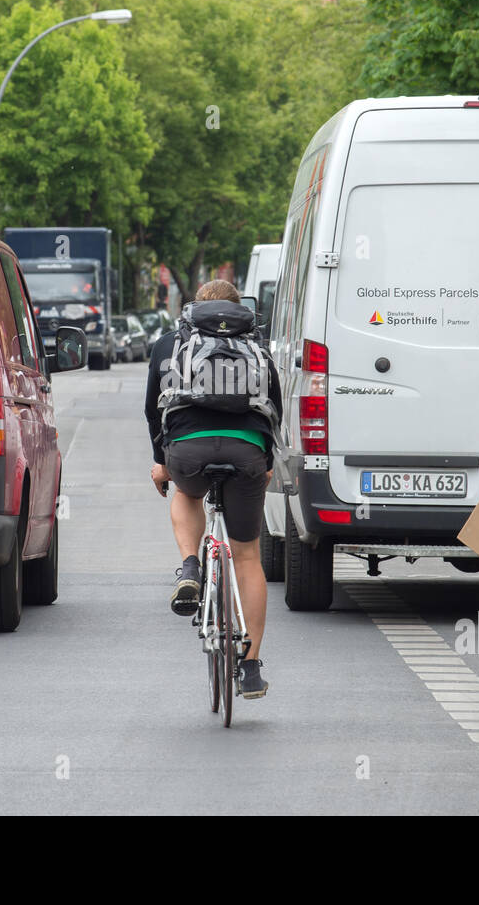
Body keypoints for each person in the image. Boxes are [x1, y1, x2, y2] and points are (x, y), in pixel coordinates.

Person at [144, 279, 282, 699]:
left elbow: (154, 408)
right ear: (239, 309)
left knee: (186, 493)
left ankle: (190, 566)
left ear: (193, 308)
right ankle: (252, 666)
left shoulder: (170, 342)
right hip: (247, 452)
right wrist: (268, 462)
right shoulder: (257, 344)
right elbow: (273, 404)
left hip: (188, 449)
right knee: (246, 554)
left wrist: (162, 461)